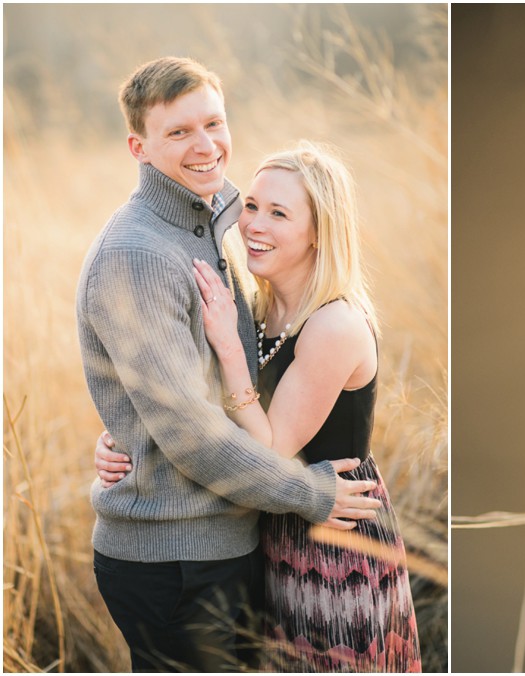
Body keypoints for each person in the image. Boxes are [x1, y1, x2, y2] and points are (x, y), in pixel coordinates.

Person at [77, 57, 380, 673]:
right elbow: (189, 431)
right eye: (179, 132)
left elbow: (189, 396)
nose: (205, 145)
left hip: (237, 545)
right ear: (138, 146)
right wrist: (307, 493)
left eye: (212, 123)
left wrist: (133, 431)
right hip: (177, 561)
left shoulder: (205, 234)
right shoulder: (141, 253)